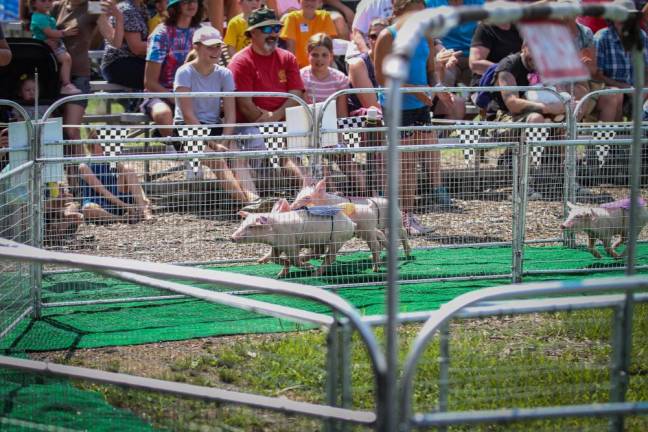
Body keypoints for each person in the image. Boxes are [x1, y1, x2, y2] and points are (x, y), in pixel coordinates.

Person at [374, 0, 454, 236]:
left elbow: (430, 72)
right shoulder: (387, 36)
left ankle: (406, 215)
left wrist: (439, 88)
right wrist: (414, 90)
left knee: (416, 159)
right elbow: (382, 78)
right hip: (397, 106)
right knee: (403, 164)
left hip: (420, 106)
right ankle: (395, 217)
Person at [174, 25, 265, 208]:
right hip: (186, 129)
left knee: (236, 157)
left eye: (217, 46)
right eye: (210, 46)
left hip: (215, 128)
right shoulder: (184, 72)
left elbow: (230, 113)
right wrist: (215, 143)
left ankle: (253, 201)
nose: (215, 51)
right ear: (196, 47)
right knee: (217, 160)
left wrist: (225, 138)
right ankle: (249, 203)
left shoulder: (224, 73)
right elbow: (188, 116)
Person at [228, 6, 314, 188]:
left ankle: (315, 192)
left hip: (284, 122)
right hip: (250, 127)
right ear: (252, 33)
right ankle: (301, 193)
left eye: (277, 28)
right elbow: (245, 105)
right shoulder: (240, 61)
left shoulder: (288, 58)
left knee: (318, 141)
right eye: (267, 29)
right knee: (271, 145)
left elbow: (296, 94)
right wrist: (271, 124)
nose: (274, 33)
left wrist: (274, 117)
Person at [49, 0, 124, 160]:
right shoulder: (57, 6)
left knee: (71, 130)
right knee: (58, 133)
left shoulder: (93, 6)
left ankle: (80, 181)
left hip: (79, 78)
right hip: (54, 75)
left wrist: (119, 18)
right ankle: (72, 180)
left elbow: (115, 42)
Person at [301, 33, 367, 194]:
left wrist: (338, 137)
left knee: (345, 160)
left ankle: (367, 193)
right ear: (308, 55)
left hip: (333, 129)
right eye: (315, 55)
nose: (319, 59)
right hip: (310, 129)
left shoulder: (339, 78)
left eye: (324, 55)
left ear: (331, 56)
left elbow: (342, 112)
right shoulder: (302, 76)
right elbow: (302, 109)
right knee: (319, 160)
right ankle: (331, 193)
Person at [143, 0, 203, 149]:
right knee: (163, 114)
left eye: (195, 0)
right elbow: (150, 83)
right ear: (175, 7)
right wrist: (179, 99)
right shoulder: (161, 34)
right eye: (185, 2)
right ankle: (182, 149)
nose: (192, 4)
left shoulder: (202, 33)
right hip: (161, 94)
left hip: (195, 93)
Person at [594, 0, 648, 120]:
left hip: (636, 90)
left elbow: (646, 69)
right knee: (615, 94)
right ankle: (610, 137)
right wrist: (623, 87)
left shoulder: (641, 36)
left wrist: (642, 89)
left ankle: (639, 135)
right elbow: (596, 75)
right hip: (608, 90)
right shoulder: (601, 37)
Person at [79, 139, 152, 223]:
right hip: (97, 201)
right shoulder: (84, 166)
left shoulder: (111, 160)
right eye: (101, 143)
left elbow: (134, 181)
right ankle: (121, 219)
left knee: (128, 169)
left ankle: (144, 210)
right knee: (87, 209)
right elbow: (102, 191)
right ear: (93, 144)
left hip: (116, 196)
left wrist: (144, 198)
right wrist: (125, 206)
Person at [425, 0, 483, 87]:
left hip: (473, 56)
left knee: (485, 82)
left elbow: (486, 31)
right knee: (444, 79)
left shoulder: (478, 3)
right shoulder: (431, 3)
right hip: (444, 56)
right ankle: (442, 99)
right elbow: (429, 36)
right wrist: (443, 52)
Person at [30, 0, 82, 95]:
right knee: (66, 59)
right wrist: (65, 33)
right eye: (43, 1)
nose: (47, 3)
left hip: (49, 47)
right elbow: (49, 33)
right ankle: (66, 84)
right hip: (44, 49)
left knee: (64, 60)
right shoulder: (39, 18)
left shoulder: (45, 16)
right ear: (33, 3)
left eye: (50, 1)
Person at [101, 0, 149, 89]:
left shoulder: (142, 8)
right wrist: (167, 46)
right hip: (119, 64)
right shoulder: (127, 9)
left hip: (133, 61)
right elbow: (137, 48)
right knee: (159, 74)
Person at [279, 0, 337, 68]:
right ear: (299, 1)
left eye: (313, 0)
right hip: (299, 67)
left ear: (319, 2)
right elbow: (291, 48)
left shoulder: (325, 17)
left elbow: (328, 47)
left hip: (321, 65)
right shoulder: (292, 18)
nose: (309, 3)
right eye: (306, 0)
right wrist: (293, 69)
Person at [469, 21, 522, 86]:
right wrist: (505, 70)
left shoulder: (523, 29)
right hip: (489, 86)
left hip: (521, 83)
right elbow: (475, 64)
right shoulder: (485, 28)